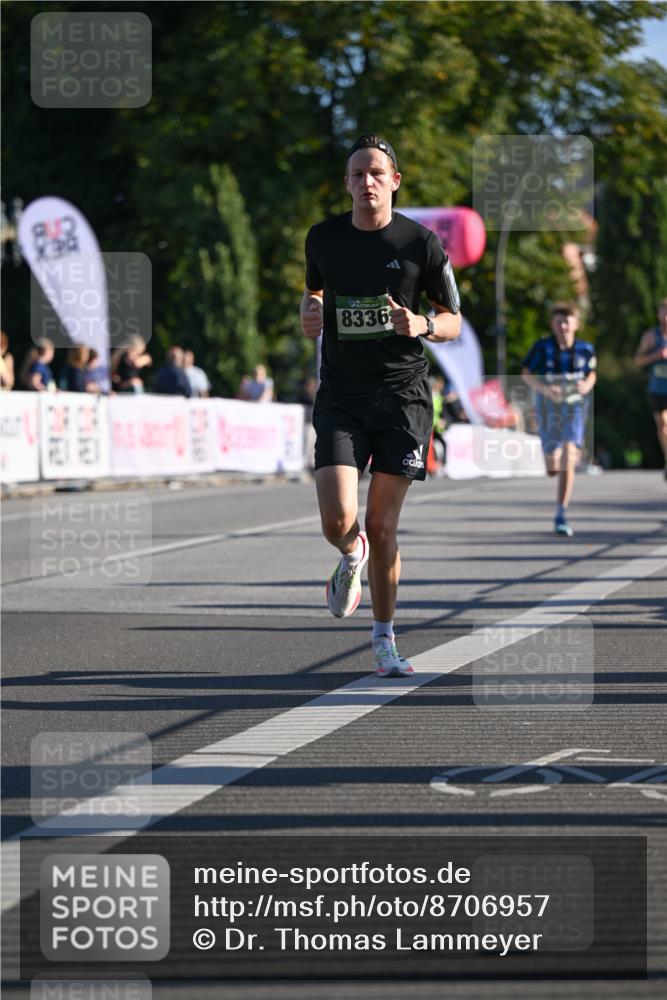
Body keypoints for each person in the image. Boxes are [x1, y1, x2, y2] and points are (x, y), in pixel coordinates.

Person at [301, 133, 461, 677]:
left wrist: (421, 323)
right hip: (342, 394)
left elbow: (454, 319)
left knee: (384, 524)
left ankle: (385, 639)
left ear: (394, 181)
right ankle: (350, 553)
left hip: (403, 397)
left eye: (376, 173)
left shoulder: (422, 244)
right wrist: (310, 308)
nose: (366, 182)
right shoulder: (322, 238)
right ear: (346, 185)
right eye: (356, 175)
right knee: (337, 518)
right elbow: (316, 291)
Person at [521, 302, 597, 537]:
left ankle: (561, 512)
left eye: (567, 321)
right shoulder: (542, 348)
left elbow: (592, 373)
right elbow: (526, 374)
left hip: (574, 409)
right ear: (552, 325)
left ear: (576, 323)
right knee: (553, 466)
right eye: (558, 321)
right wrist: (544, 390)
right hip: (548, 409)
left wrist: (586, 384)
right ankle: (556, 463)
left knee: (568, 456)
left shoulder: (585, 349)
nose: (563, 326)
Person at [634, 298, 667, 479]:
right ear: (659, 314)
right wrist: (656, 355)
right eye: (664, 312)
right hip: (658, 388)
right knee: (663, 426)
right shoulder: (651, 336)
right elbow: (638, 360)